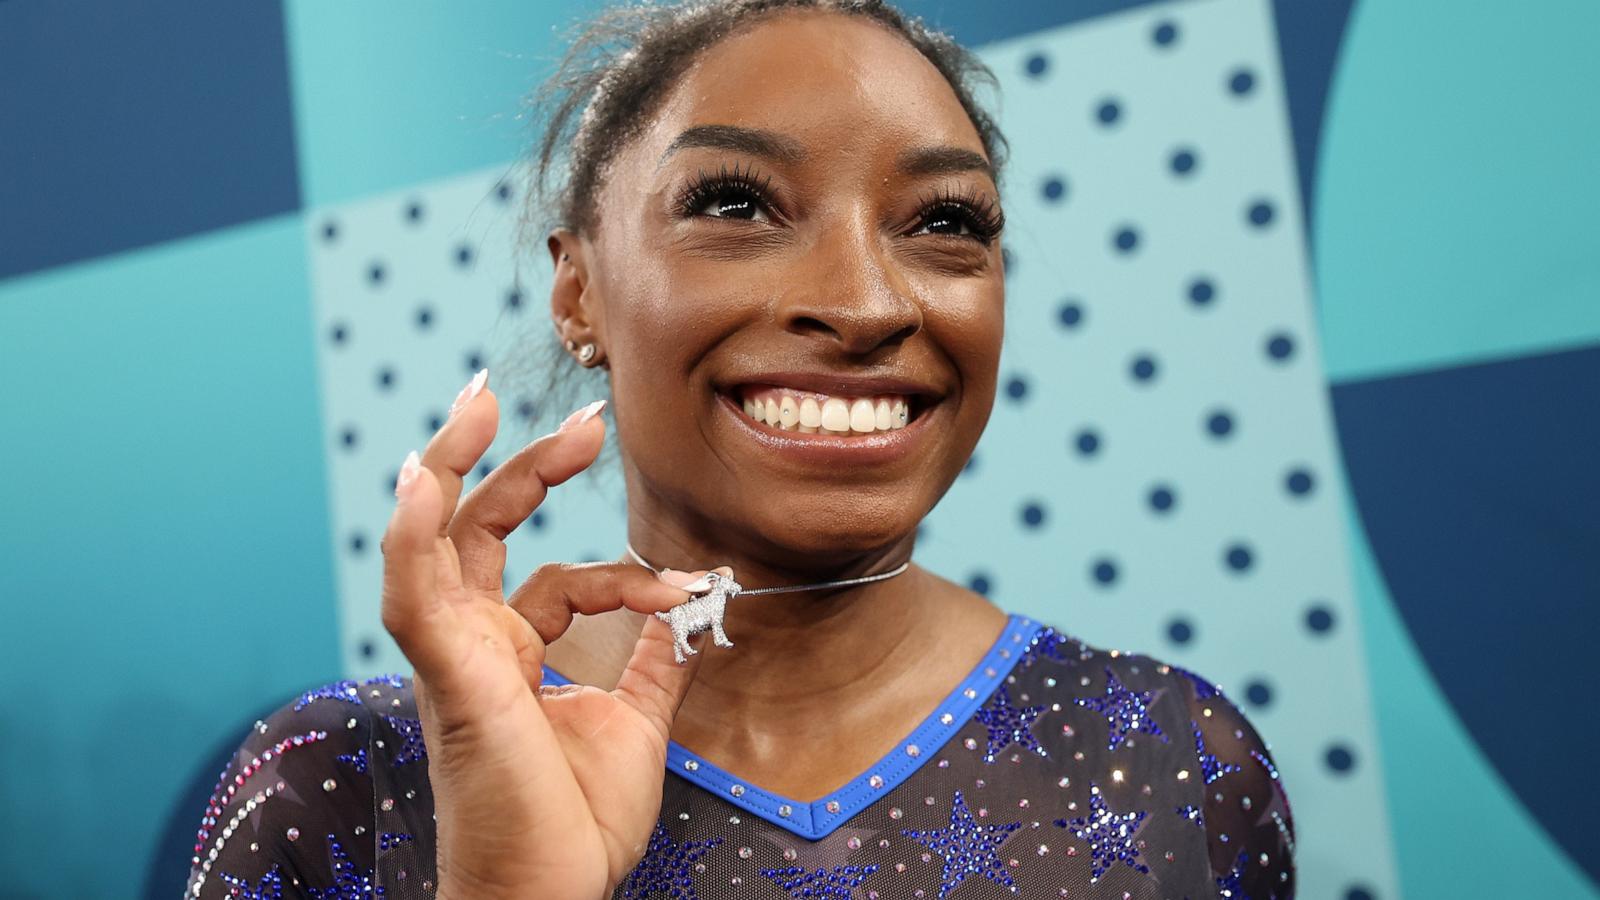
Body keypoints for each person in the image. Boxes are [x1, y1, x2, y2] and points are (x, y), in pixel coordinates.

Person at [183, 1, 1296, 897]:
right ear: (579, 292)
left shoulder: (1171, 757)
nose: (863, 306)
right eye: (734, 203)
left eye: (945, 221)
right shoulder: (344, 784)